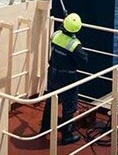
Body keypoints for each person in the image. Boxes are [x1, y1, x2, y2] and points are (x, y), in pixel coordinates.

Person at [40, 12, 88, 145]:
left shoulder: (56, 35)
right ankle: (66, 136)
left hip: (53, 74)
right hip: (68, 77)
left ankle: (44, 129)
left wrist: (66, 21)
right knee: (69, 106)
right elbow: (83, 60)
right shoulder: (74, 45)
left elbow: (61, 30)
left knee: (51, 101)